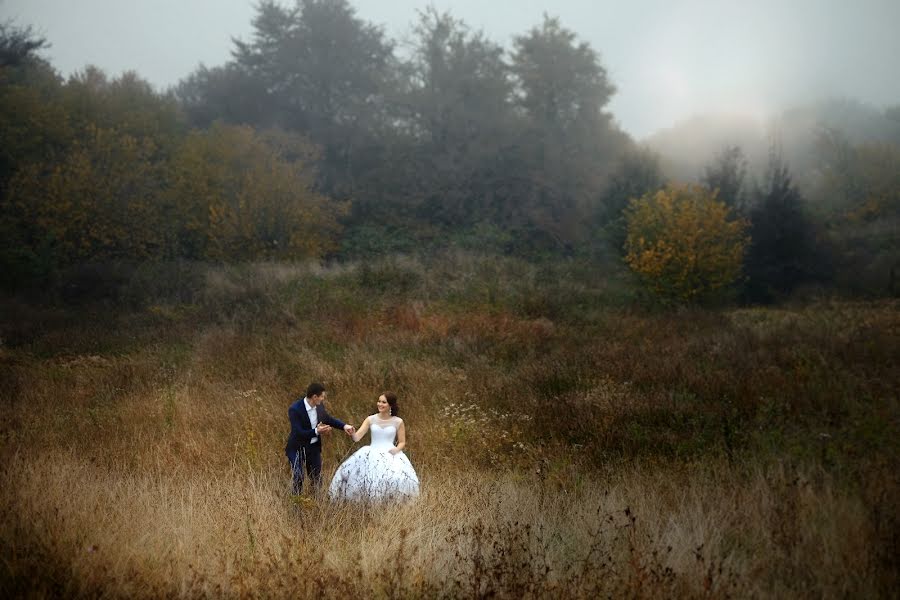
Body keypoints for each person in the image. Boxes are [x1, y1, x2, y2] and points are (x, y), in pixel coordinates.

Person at [329, 392, 420, 502]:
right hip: (372, 452)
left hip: (391, 453)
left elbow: (402, 442)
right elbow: (357, 438)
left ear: (390, 405)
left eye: (384, 402)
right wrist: (352, 432)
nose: (380, 404)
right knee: (368, 478)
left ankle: (390, 504)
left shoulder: (398, 421)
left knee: (396, 478)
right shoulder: (370, 419)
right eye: (379, 401)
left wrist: (396, 449)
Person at [285, 382, 355, 495]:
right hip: (296, 448)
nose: (323, 399)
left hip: (313, 448)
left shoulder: (319, 406)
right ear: (314, 397)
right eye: (322, 396)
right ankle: (296, 504)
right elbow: (298, 432)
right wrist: (317, 431)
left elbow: (328, 419)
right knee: (298, 476)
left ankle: (316, 504)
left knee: (316, 478)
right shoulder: (295, 409)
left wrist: (344, 426)